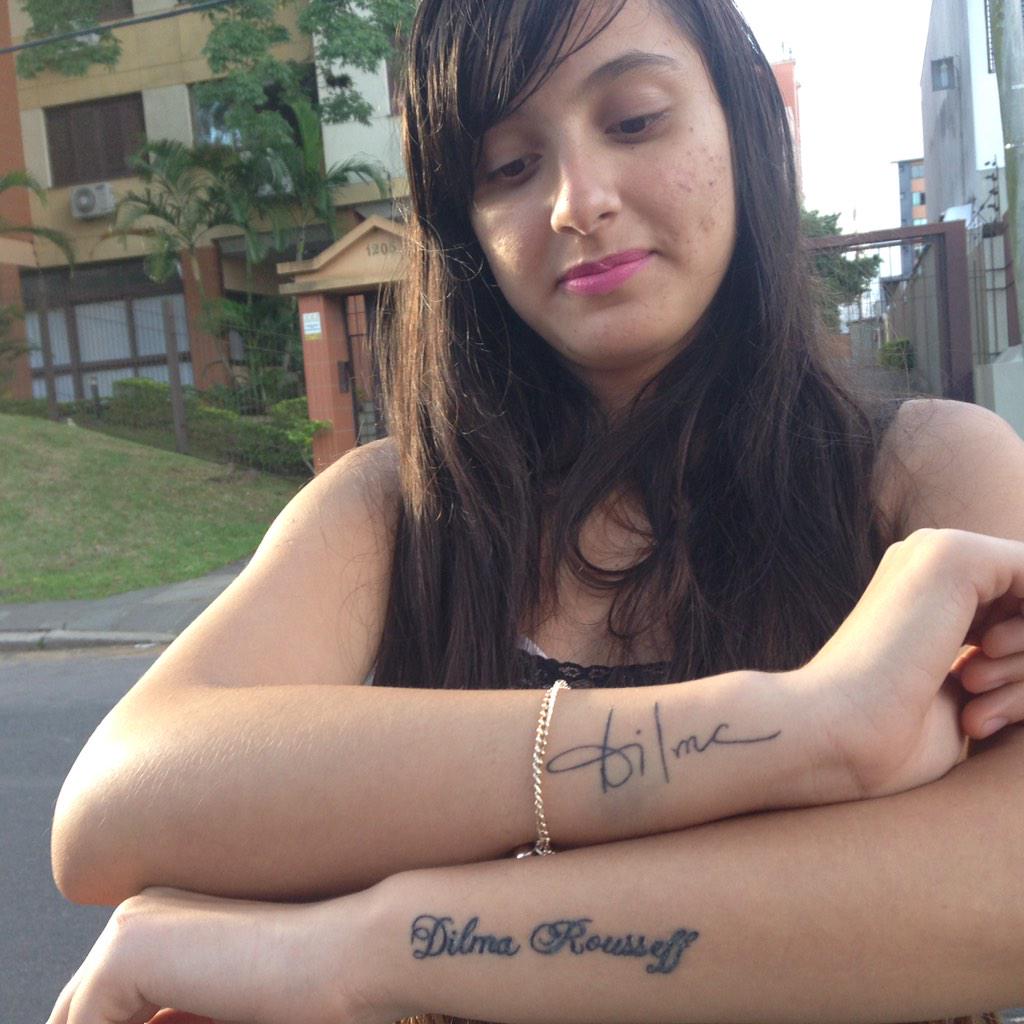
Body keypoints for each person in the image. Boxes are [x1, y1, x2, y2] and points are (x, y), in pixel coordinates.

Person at [45, 1, 1024, 1022]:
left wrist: (360, 947)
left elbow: (1004, 889)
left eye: (635, 120)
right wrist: (802, 725)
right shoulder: (398, 510)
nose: (576, 201)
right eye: (509, 166)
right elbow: (113, 810)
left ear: (741, 125)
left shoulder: (925, 478)